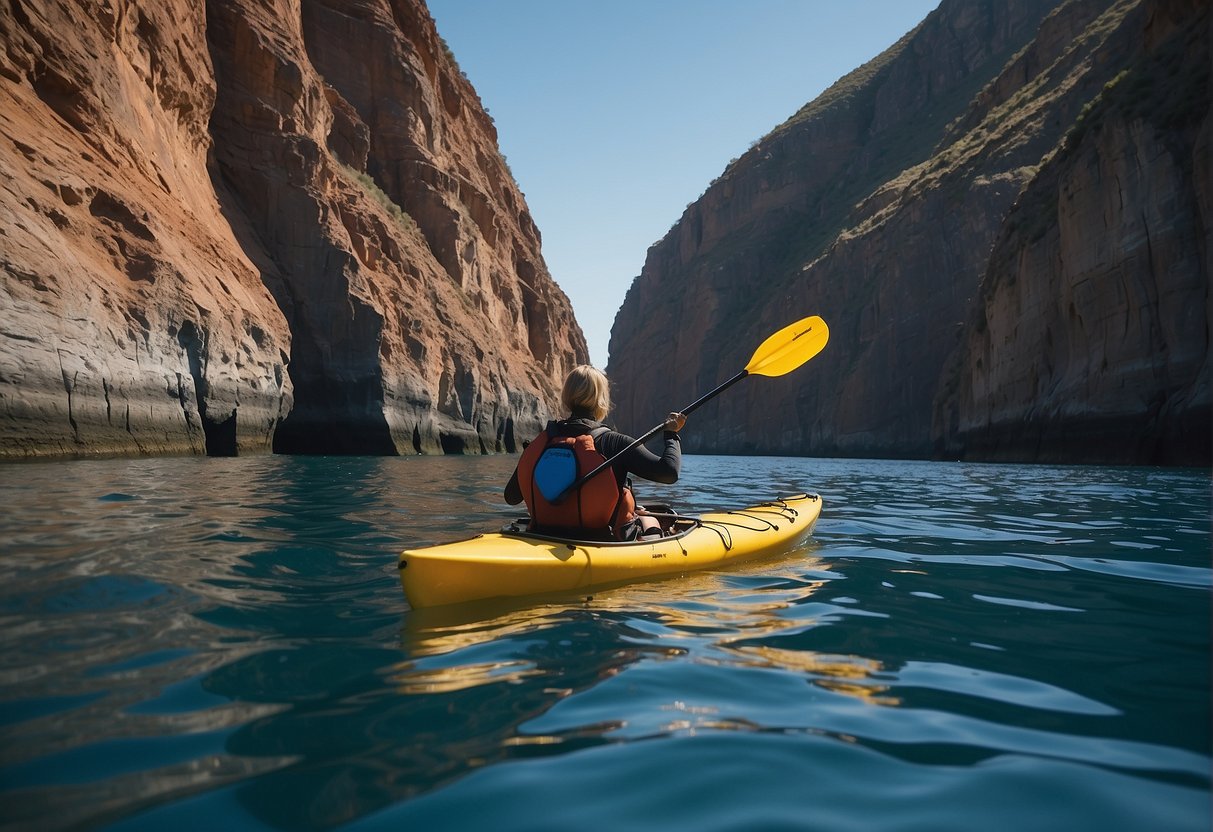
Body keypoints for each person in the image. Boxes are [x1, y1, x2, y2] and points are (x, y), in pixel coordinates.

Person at [505, 365, 687, 540]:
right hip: (601, 539)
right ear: (601, 399)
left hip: (543, 534)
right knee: (650, 520)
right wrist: (671, 434)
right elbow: (669, 473)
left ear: (567, 396)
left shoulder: (541, 442)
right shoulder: (615, 442)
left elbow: (511, 497)